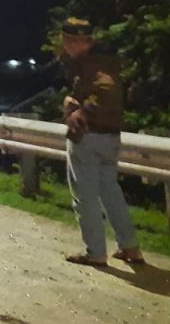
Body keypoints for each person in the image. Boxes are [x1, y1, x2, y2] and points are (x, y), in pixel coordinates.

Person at [58, 18, 144, 267]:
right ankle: (130, 247)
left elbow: (105, 91)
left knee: (84, 196)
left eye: (69, 40)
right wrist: (72, 99)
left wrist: (81, 113)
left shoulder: (92, 63)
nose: (67, 45)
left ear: (74, 41)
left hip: (89, 137)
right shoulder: (107, 59)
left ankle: (95, 252)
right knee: (110, 191)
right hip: (110, 137)